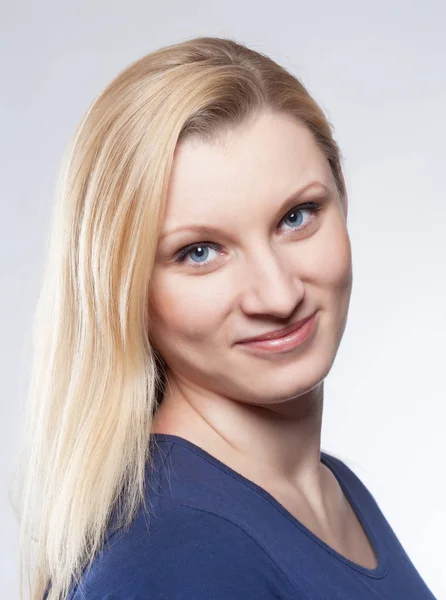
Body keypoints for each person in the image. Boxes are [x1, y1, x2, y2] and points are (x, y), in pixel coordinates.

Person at [13, 36, 437, 600]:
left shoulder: (334, 492)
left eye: (296, 216)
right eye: (199, 252)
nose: (278, 294)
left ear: (342, 197)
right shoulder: (174, 553)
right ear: (126, 289)